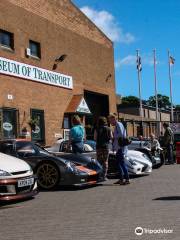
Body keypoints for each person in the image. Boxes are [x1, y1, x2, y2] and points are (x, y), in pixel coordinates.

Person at [108, 113, 130, 185]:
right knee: (119, 163)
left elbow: (121, 135)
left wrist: (114, 136)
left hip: (120, 148)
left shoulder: (118, 124)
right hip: (119, 148)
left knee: (121, 163)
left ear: (113, 119)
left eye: (110, 121)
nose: (110, 123)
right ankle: (121, 179)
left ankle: (126, 179)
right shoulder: (118, 125)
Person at [94, 116, 112, 181]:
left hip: (98, 146)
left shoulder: (97, 129)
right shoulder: (109, 129)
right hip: (106, 146)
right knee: (105, 161)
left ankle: (99, 176)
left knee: (99, 161)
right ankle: (104, 176)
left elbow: (95, 138)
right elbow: (111, 137)